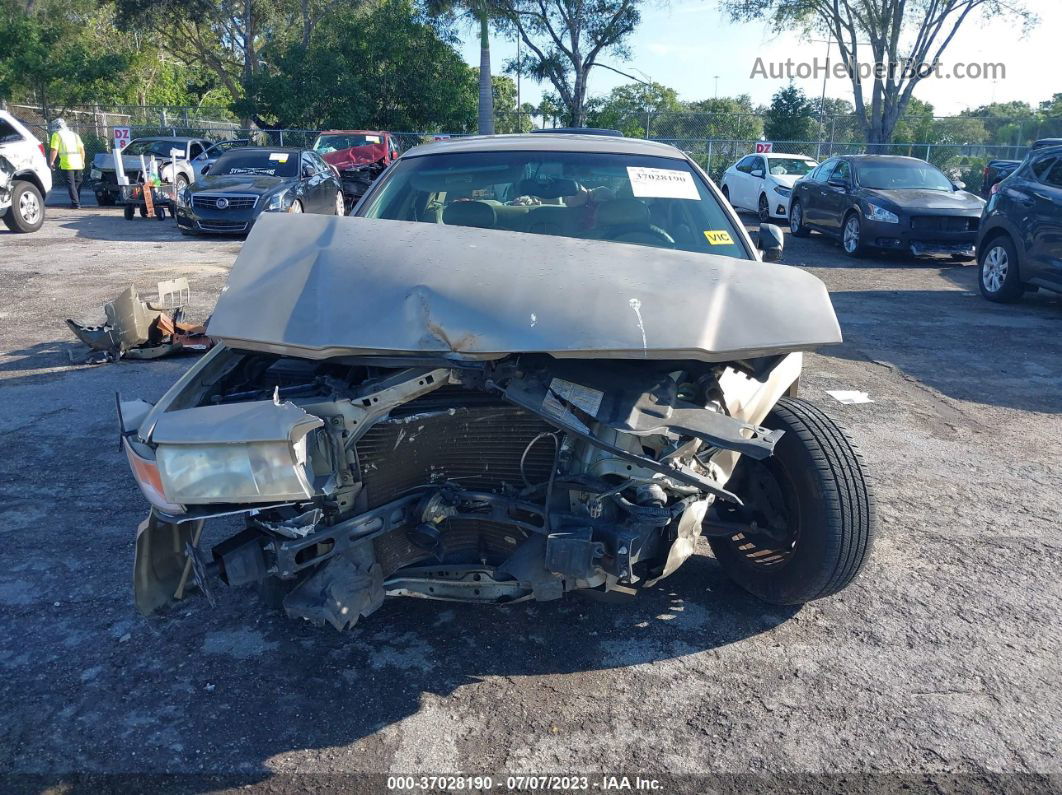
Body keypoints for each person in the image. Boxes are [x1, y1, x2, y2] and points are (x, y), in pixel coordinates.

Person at [48, 118, 86, 209]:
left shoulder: (57, 135)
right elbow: (82, 150)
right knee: (77, 183)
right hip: (78, 162)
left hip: (67, 163)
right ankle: (77, 201)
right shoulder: (75, 135)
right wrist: (82, 161)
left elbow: (54, 149)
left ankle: (75, 204)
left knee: (71, 184)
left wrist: (51, 161)